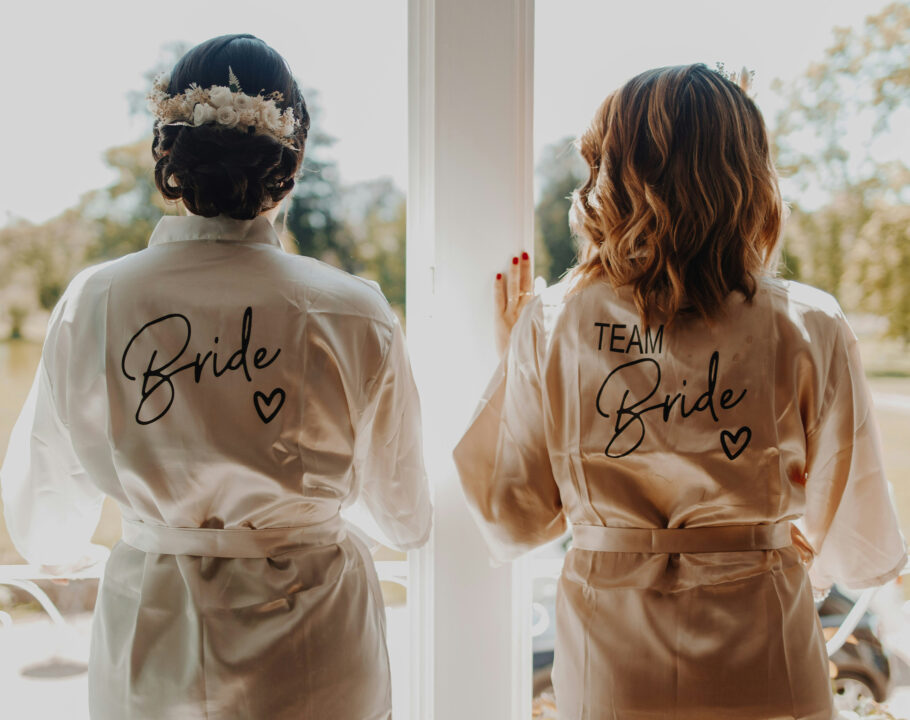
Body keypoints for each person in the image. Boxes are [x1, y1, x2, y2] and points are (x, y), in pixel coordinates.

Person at [454, 63, 906, 720]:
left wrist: (523, 366)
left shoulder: (554, 323)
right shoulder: (809, 322)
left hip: (612, 657)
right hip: (765, 646)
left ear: (614, 173)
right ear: (748, 178)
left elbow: (510, 510)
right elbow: (856, 533)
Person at [1, 34, 431, 720]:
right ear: (289, 165)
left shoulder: (97, 301)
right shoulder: (353, 310)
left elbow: (47, 527)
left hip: (155, 648)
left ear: (165, 154)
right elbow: (404, 515)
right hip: (318, 652)